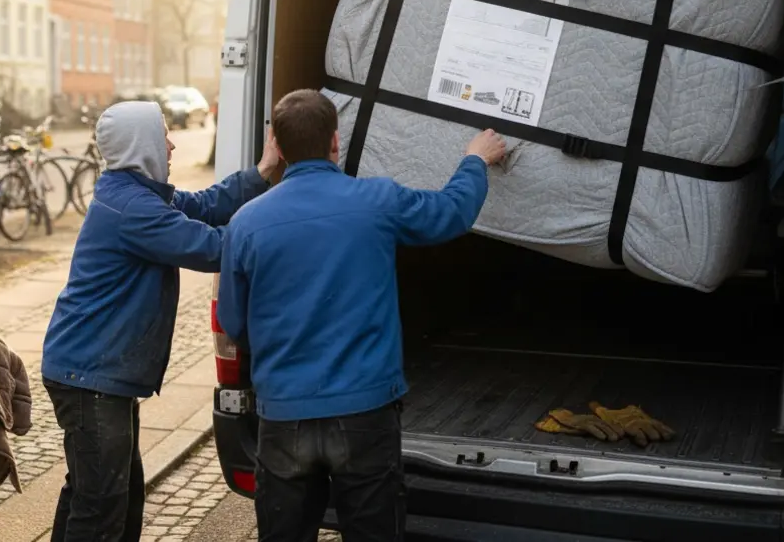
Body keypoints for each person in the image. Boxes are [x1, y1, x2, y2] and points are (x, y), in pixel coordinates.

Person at [216, 89, 507, 542]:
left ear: (277, 145)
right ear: (335, 141)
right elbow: (450, 213)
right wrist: (475, 159)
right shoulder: (377, 200)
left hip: (284, 414)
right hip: (365, 412)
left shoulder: (246, 223)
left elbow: (234, 323)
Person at [42, 99, 282, 542]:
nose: (171, 145)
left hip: (94, 373)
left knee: (102, 494)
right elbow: (211, 247)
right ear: (141, 145)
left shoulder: (135, 194)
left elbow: (207, 206)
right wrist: (285, 221)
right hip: (90, 377)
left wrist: (264, 169)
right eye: (163, 135)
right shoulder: (133, 209)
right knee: (102, 506)